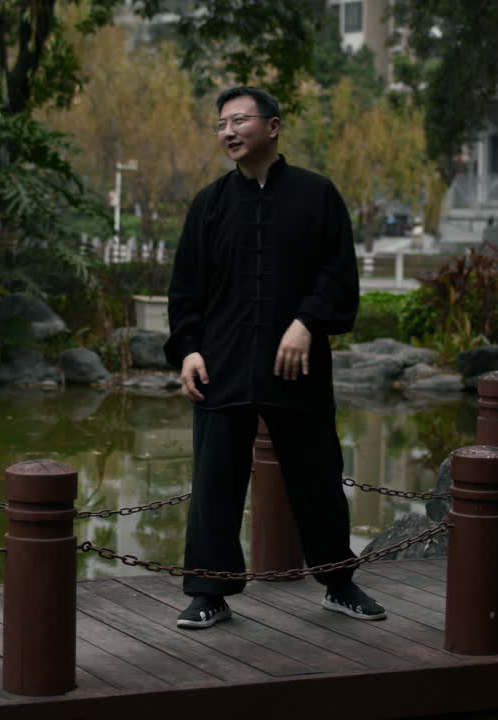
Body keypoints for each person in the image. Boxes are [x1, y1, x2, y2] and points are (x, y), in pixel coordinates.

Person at [164, 86, 386, 629]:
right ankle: (208, 593)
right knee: (215, 482)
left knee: (318, 476)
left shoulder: (318, 195)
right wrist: (189, 350)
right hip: (222, 365)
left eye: (240, 120)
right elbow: (185, 289)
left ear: (274, 126)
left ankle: (338, 581)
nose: (229, 132)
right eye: (221, 124)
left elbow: (339, 275)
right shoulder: (209, 204)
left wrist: (307, 322)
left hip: (297, 367)